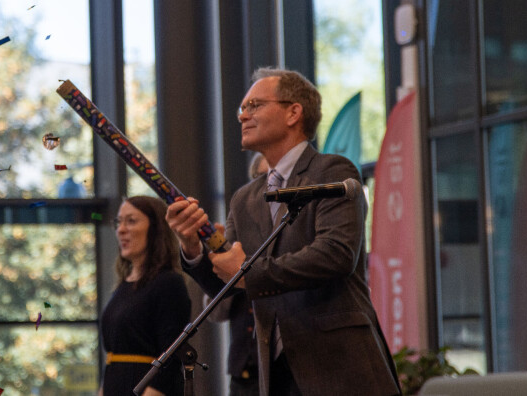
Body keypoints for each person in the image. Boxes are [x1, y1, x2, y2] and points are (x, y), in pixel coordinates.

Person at [166, 68, 400, 396]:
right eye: (241, 109)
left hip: (338, 365)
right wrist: (191, 246)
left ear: (293, 112)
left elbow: (335, 255)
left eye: (254, 106)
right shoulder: (245, 198)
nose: (242, 116)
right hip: (274, 374)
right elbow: (228, 285)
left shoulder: (333, 170)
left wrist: (248, 272)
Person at [100, 196, 192, 396]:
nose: (121, 229)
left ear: (155, 229)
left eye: (131, 221)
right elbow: (113, 357)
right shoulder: (124, 285)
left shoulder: (168, 283)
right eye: (119, 222)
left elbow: (171, 357)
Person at [203, 152, 268, 396]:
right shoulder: (239, 236)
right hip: (244, 373)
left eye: (272, 177)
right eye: (260, 178)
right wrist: (225, 264)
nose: (267, 186)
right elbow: (215, 313)